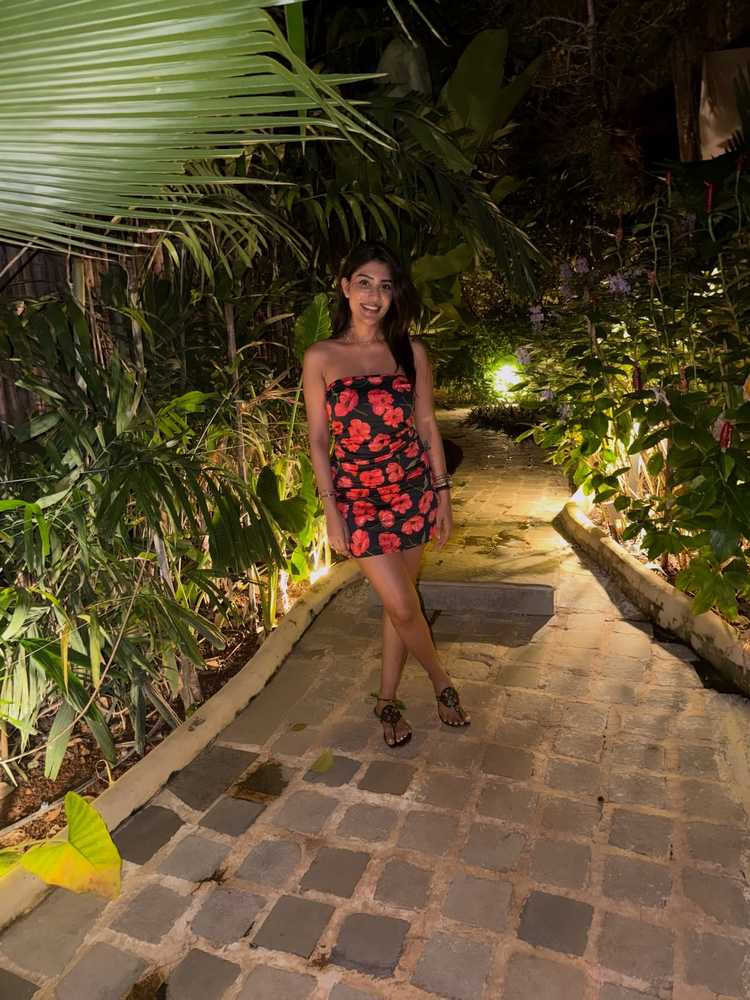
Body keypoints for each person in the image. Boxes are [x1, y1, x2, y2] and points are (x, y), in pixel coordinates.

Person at [302, 241, 470, 747]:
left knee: (402, 606)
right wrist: (331, 510)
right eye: (364, 283)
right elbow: (318, 440)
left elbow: (427, 425)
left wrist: (442, 496)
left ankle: (387, 701)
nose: (374, 296)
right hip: (357, 501)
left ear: (395, 295)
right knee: (400, 603)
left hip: (411, 492)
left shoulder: (410, 352)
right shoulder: (321, 356)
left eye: (385, 286)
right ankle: (442, 682)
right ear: (345, 288)